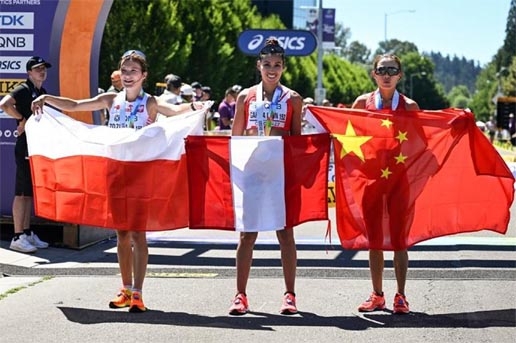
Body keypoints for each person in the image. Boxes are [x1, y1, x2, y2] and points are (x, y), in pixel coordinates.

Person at [31, 50, 204, 313]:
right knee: (122, 234)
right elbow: (77, 106)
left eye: (133, 71)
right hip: (115, 172)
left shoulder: (150, 103)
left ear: (144, 75)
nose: (128, 76)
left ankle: (138, 293)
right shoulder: (112, 99)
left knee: (138, 234)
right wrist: (47, 98)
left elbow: (175, 111)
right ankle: (125, 288)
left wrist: (194, 106)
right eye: (124, 71)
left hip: (141, 175)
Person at [229, 37, 303, 315]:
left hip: (280, 174)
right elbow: (236, 137)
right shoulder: (245, 96)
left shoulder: (293, 98)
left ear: (283, 67)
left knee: (286, 234)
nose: (272, 69)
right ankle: (240, 295)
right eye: (267, 64)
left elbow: (297, 141)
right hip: (252, 173)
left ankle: (290, 295)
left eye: (277, 65)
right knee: (247, 236)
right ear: (258, 66)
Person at [350, 53, 420, 315]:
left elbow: (421, 142)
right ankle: (377, 294)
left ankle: (401, 295)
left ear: (400, 75)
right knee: (375, 240)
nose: (387, 74)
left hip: (400, 180)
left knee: (400, 239)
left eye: (392, 70)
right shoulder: (361, 103)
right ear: (374, 74)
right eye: (382, 70)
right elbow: (346, 135)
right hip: (371, 179)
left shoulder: (410, 106)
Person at [0, 56, 51, 253]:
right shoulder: (23, 88)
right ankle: (17, 235)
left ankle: (27, 232)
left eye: (44, 68)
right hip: (24, 145)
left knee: (29, 192)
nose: (42, 71)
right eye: (38, 69)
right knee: (21, 193)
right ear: (29, 72)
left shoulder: (41, 92)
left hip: (35, 145)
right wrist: (21, 119)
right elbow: (4, 104)